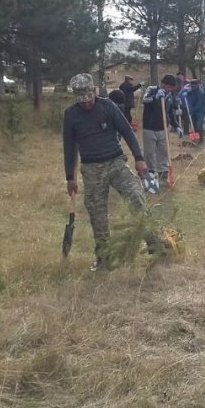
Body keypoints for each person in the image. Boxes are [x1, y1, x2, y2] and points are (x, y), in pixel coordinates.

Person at [63, 73, 155, 270]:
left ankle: (154, 243)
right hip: (91, 169)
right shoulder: (71, 115)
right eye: (82, 101)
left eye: (89, 99)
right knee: (97, 215)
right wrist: (70, 177)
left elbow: (127, 131)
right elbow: (69, 148)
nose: (86, 103)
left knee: (136, 198)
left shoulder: (108, 106)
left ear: (94, 91)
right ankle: (104, 257)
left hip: (116, 163)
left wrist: (139, 158)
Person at [142, 74, 183, 177]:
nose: (170, 90)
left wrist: (177, 126)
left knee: (164, 151)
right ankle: (150, 171)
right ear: (163, 84)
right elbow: (145, 100)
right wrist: (155, 97)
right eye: (169, 87)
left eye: (172, 88)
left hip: (163, 128)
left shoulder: (169, 95)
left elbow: (170, 112)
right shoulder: (152, 89)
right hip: (149, 127)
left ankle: (163, 171)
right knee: (149, 152)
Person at [183, 77, 205, 142]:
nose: (192, 87)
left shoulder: (200, 93)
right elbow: (188, 96)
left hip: (200, 111)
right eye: (191, 86)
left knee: (199, 125)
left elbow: (199, 104)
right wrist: (186, 94)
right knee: (193, 125)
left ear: (197, 85)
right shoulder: (191, 91)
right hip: (193, 110)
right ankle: (195, 139)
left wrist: (192, 110)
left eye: (194, 86)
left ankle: (200, 140)